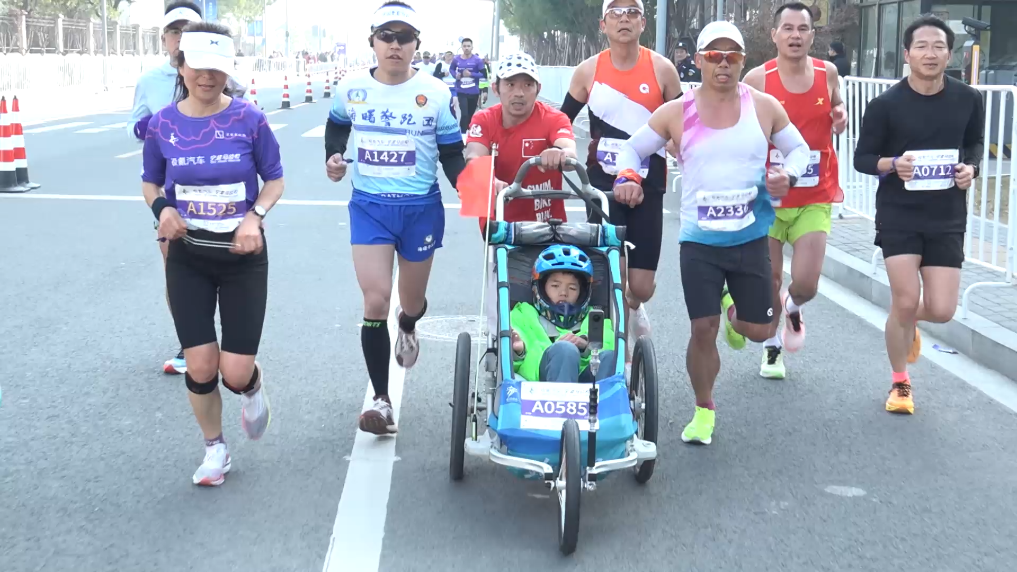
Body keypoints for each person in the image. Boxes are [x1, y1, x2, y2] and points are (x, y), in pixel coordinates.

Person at [614, 21, 810, 445]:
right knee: (702, 328)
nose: (724, 64)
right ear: (700, 61)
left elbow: (799, 149)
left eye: (732, 56)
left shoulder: (764, 107)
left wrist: (789, 175)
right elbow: (632, 147)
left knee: (758, 331)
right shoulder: (677, 111)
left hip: (750, 238)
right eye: (714, 56)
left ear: (743, 60)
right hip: (699, 242)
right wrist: (629, 175)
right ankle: (704, 409)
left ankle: (733, 310)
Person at [141, 22, 283, 486]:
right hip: (188, 257)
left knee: (234, 373)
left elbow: (275, 179)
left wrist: (254, 216)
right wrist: (163, 209)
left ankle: (252, 386)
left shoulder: (250, 119)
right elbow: (151, 183)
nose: (207, 77)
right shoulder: (163, 124)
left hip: (243, 259)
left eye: (218, 68)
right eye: (198, 66)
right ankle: (215, 449)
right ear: (180, 65)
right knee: (201, 364)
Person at [324, 0, 466, 435]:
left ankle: (408, 324)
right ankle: (381, 401)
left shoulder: (436, 93)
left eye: (404, 37)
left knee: (411, 301)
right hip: (370, 207)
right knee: (375, 301)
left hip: (420, 209)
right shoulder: (350, 87)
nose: (395, 45)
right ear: (372, 41)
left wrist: (469, 186)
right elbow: (337, 126)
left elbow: (451, 153)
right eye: (386, 36)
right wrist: (333, 155)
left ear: (416, 44)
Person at [853, 15, 983, 415]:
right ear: (907, 54)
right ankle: (900, 382)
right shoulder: (885, 105)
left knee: (941, 310)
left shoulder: (968, 99)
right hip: (900, 214)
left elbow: (975, 144)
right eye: (922, 47)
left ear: (950, 54)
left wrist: (972, 168)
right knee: (907, 299)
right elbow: (862, 159)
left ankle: (903, 322)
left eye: (939, 46)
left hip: (946, 214)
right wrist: (893, 164)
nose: (931, 53)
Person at [559, 0, 682, 374]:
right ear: (603, 24)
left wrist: (685, 150)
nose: (623, 18)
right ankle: (620, 355)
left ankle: (635, 304)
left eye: (632, 12)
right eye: (615, 12)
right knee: (612, 273)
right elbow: (561, 121)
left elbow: (683, 124)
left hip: (648, 184)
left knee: (639, 286)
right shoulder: (588, 71)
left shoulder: (662, 70)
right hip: (602, 186)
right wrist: (555, 148)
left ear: (643, 23)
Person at [742, 2, 847, 379]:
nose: (795, 35)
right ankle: (772, 349)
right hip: (768, 197)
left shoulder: (827, 72)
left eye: (802, 29)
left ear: (813, 36)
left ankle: (793, 305)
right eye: (787, 28)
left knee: (806, 282)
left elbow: (838, 111)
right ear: (774, 35)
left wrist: (840, 117)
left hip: (814, 194)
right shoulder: (757, 79)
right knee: (769, 279)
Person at [129, 0, 203, 375]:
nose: (180, 38)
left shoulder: (219, 76)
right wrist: (157, 125)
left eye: (188, 31)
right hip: (170, 195)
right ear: (164, 39)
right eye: (174, 32)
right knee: (177, 272)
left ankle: (225, 340)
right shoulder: (150, 81)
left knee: (224, 272)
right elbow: (134, 126)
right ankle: (191, 343)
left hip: (218, 194)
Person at [464, 52, 577, 231]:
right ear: (495, 88)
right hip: (499, 222)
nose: (519, 93)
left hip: (548, 223)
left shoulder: (555, 118)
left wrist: (559, 153)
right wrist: (487, 180)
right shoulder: (483, 119)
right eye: (510, 84)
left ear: (538, 89)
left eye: (528, 85)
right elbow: (474, 157)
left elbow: (569, 151)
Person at [510, 245, 617, 383]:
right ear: (539, 288)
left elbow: (609, 343)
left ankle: (605, 398)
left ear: (583, 292)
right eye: (555, 286)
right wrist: (519, 352)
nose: (564, 293)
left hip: (587, 385)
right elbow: (516, 365)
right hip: (538, 383)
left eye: (572, 288)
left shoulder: (594, 316)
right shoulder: (523, 314)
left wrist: (585, 345)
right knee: (565, 350)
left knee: (609, 357)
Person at [449, 38, 486, 134]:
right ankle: (462, 133)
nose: (466, 48)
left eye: (468, 46)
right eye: (464, 46)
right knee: (464, 114)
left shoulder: (477, 60)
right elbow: (451, 69)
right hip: (461, 91)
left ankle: (468, 132)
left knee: (470, 115)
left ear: (472, 47)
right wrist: (455, 75)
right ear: (461, 47)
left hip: (473, 91)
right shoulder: (456, 59)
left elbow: (483, 74)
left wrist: (471, 74)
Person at [433, 50, 459, 119]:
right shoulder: (440, 64)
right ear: (445, 56)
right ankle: (443, 118)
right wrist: (443, 74)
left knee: (453, 104)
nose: (449, 57)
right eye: (447, 55)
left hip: (453, 88)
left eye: (450, 55)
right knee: (445, 105)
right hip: (444, 88)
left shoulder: (456, 65)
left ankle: (453, 119)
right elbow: (435, 75)